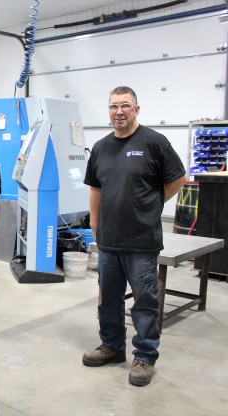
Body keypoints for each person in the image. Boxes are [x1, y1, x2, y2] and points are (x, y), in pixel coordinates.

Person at [82, 86, 186, 387]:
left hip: (142, 240)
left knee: (144, 301)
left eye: (125, 106)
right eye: (114, 106)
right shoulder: (101, 147)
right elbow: (95, 189)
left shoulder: (155, 142)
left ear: (136, 109)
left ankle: (145, 356)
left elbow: (178, 178)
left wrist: (153, 205)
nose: (119, 112)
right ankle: (112, 347)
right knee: (109, 299)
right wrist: (96, 226)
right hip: (109, 239)